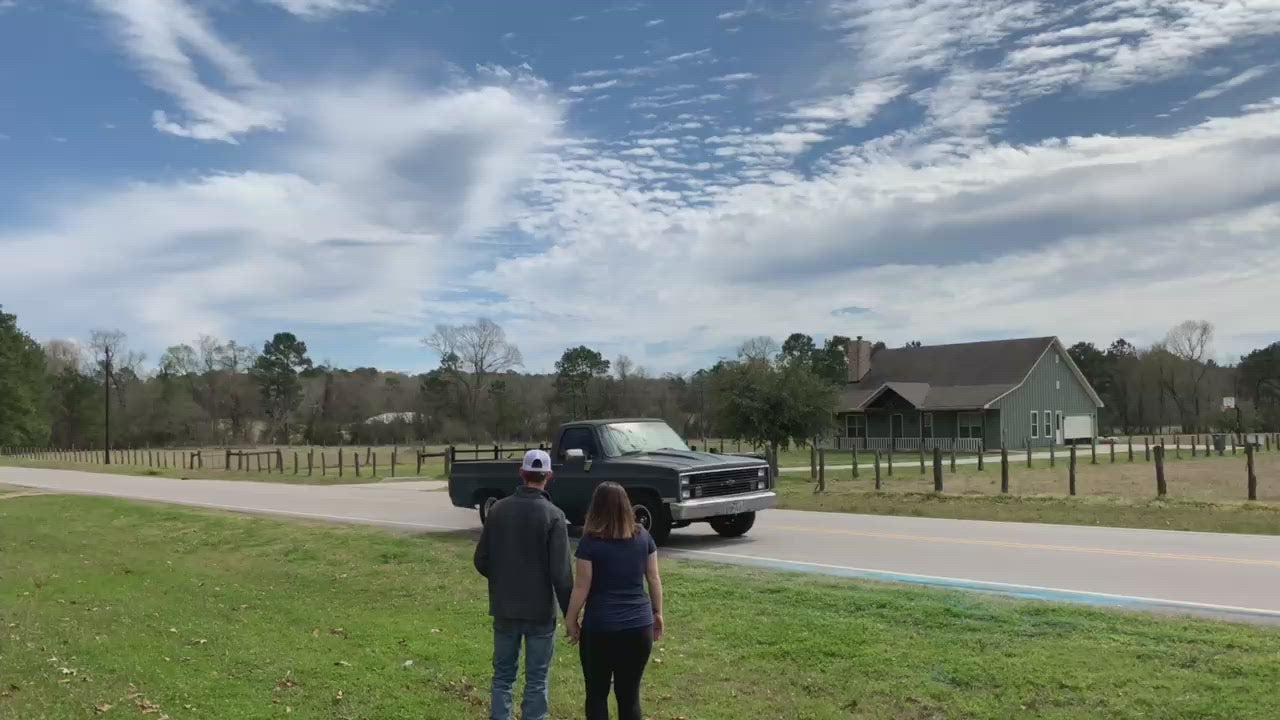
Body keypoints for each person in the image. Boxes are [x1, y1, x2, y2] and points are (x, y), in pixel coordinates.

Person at [473, 448, 573, 720]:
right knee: (536, 680)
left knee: (503, 676)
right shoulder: (554, 516)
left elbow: (481, 559)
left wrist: (503, 578)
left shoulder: (497, 510)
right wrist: (572, 616)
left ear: (521, 473)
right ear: (548, 476)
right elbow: (561, 574)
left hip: (505, 606)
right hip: (540, 610)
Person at [565, 481, 665, 720]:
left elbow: (581, 586)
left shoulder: (590, 542)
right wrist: (657, 612)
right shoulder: (643, 537)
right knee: (629, 695)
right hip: (638, 627)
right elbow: (653, 578)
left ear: (595, 508)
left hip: (601, 628)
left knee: (597, 694)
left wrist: (571, 619)